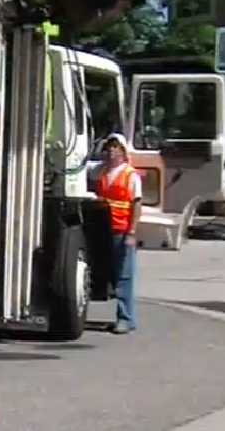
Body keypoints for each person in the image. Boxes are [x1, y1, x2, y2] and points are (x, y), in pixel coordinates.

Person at [95, 133, 142, 334]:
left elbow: (136, 205)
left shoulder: (130, 175)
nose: (110, 151)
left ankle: (125, 318)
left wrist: (131, 232)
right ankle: (123, 317)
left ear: (123, 152)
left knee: (124, 275)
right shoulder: (103, 172)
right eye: (108, 147)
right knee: (112, 274)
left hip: (122, 230)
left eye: (115, 147)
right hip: (105, 230)